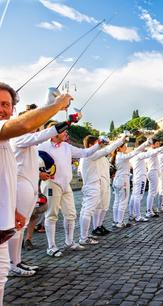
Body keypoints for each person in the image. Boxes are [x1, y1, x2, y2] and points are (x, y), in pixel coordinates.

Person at [0, 82, 72, 306]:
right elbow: (29, 128)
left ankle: (16, 262)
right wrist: (57, 105)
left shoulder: (14, 136)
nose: (2, 109)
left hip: (12, 203)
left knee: (1, 275)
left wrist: (11, 209)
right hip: (21, 189)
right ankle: (16, 262)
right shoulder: (17, 134)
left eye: (6, 104)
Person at [9, 105, 77, 276]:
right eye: (32, 121)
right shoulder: (19, 138)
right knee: (17, 227)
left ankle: (17, 261)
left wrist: (40, 173)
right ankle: (13, 263)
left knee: (22, 226)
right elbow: (45, 134)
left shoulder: (29, 139)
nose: (35, 124)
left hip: (30, 185)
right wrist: (67, 121)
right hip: (19, 185)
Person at [38, 122, 101, 257]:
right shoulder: (42, 146)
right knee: (51, 215)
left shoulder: (66, 146)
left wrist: (98, 144)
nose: (66, 133)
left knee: (71, 214)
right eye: (63, 131)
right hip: (51, 184)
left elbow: (85, 152)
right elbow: (33, 162)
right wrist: (39, 173)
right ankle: (51, 246)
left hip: (66, 185)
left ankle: (69, 241)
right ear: (54, 133)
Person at [78, 134, 126, 245]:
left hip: (97, 184)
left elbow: (105, 153)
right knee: (87, 211)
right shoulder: (89, 154)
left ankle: (85, 235)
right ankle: (83, 237)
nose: (99, 145)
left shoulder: (94, 155)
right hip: (92, 186)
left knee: (90, 210)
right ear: (90, 145)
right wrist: (120, 140)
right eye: (97, 143)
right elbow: (107, 150)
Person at [111, 138, 149, 228]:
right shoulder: (122, 157)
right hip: (123, 180)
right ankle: (120, 222)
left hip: (117, 180)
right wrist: (146, 143)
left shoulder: (117, 156)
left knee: (117, 201)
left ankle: (115, 221)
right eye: (124, 146)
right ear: (118, 148)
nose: (126, 147)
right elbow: (135, 152)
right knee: (123, 202)